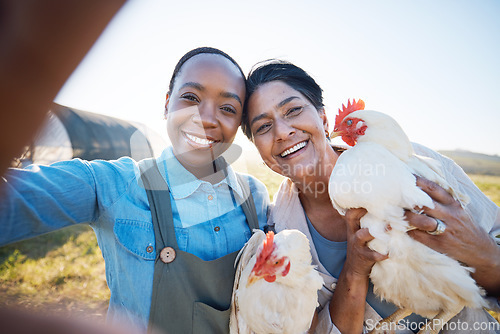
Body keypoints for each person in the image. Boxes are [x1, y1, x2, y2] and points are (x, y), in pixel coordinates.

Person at [0, 47, 269, 334]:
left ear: (239, 123)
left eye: (227, 108)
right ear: (167, 104)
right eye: (190, 98)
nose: (205, 118)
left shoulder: (255, 196)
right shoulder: (114, 184)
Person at [241, 60, 500, 333]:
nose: (282, 132)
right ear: (258, 148)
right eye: (263, 127)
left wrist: (479, 250)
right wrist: (354, 270)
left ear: (324, 119)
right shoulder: (278, 239)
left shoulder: (408, 162)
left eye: (293, 110)